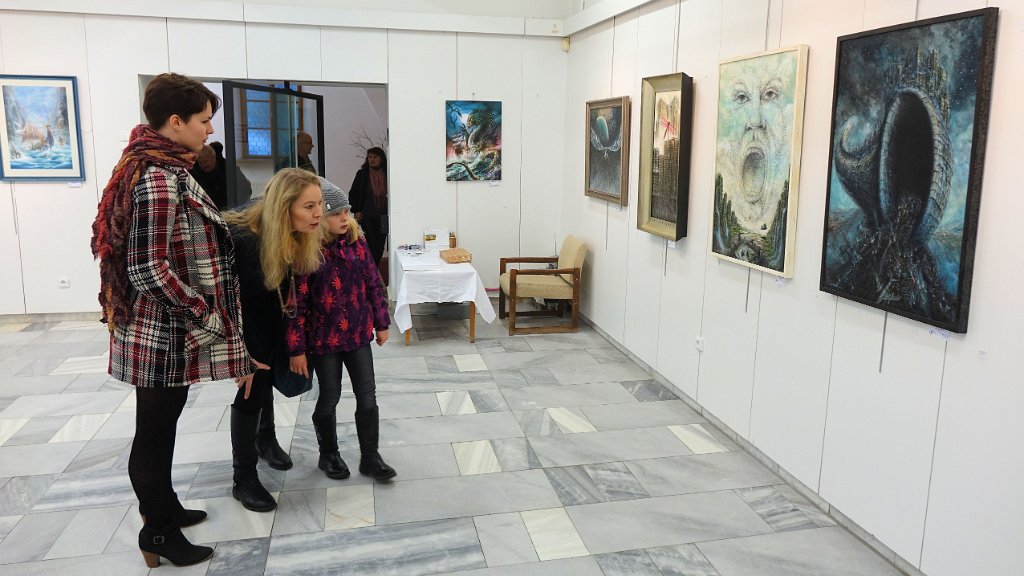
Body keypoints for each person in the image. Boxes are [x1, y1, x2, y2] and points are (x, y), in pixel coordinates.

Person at [90, 72, 256, 568]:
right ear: (176, 121)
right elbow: (147, 268)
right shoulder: (160, 177)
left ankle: (165, 508)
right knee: (154, 432)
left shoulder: (160, 165)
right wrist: (204, 313)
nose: (210, 129)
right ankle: (158, 532)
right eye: (204, 120)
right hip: (161, 333)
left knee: (162, 426)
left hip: (163, 331)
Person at [223, 167, 325, 512]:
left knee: (264, 380)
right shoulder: (243, 238)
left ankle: (265, 438)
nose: (318, 213)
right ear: (284, 207)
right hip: (242, 320)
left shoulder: (290, 233)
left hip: (269, 315)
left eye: (320, 204)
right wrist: (239, 354)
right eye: (309, 206)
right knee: (251, 388)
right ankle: (243, 478)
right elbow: (222, 299)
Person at [286, 178, 396, 481]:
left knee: (367, 394)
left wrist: (382, 323)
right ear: (321, 217)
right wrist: (296, 349)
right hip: (324, 341)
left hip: (358, 334)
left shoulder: (357, 243)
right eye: (336, 213)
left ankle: (370, 457)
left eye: (346, 211)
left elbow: (374, 284)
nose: (344, 218)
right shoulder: (307, 252)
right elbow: (297, 306)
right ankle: (329, 454)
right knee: (330, 395)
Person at [349, 147, 388, 266]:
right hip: (368, 215)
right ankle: (371, 270)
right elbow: (353, 193)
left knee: (380, 245)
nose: (372, 159)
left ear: (381, 159)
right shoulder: (362, 174)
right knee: (370, 245)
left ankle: (374, 268)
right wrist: (356, 210)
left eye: (375, 157)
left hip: (384, 216)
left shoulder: (388, 173)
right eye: (370, 157)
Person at [190, 142, 252, 210]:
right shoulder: (195, 172)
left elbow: (245, 190)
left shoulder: (229, 170)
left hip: (231, 209)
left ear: (214, 158)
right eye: (200, 162)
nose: (203, 165)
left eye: (205, 161)